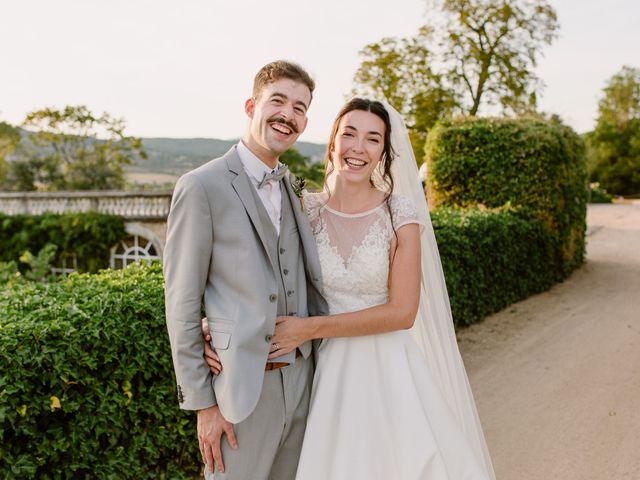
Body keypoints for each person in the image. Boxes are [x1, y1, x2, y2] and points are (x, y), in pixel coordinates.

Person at [207, 98, 496, 479]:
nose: (358, 147)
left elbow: (402, 313)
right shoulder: (303, 211)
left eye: (373, 139)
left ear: (383, 153)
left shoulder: (401, 215)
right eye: (349, 134)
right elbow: (262, 276)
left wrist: (309, 329)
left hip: (387, 369)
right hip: (321, 372)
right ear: (332, 142)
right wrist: (215, 322)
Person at [164, 60, 327, 480]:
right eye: (279, 101)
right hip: (239, 393)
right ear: (251, 105)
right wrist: (203, 403)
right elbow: (181, 300)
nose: (288, 114)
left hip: (302, 382)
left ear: (305, 122)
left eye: (300, 107)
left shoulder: (294, 187)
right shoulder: (202, 185)